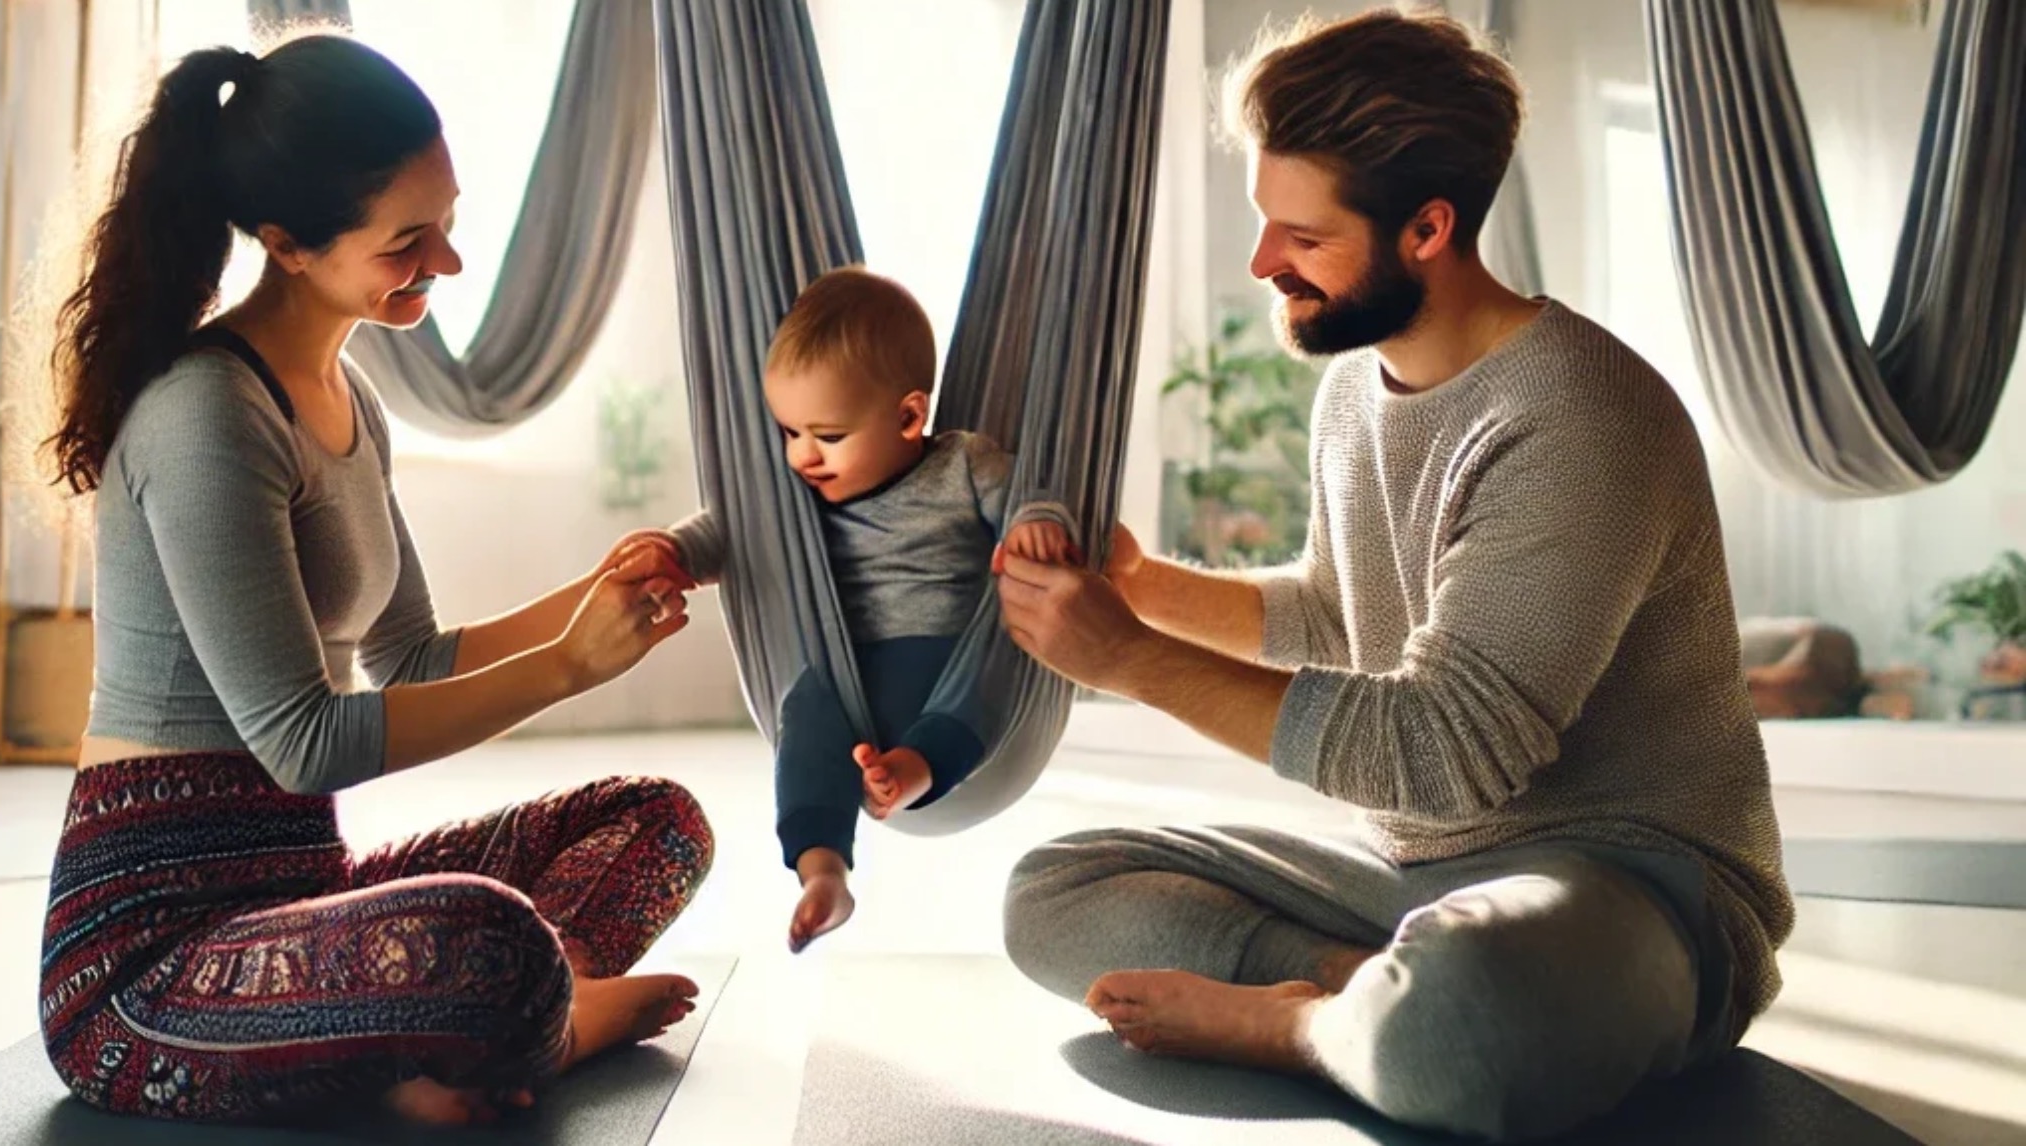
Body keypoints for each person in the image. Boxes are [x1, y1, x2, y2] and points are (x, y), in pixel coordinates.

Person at [992, 9, 1793, 1141]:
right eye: (1269, 222)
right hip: (1409, 874)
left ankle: (1307, 1025)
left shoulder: (1579, 416)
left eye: (1303, 237)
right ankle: (1352, 978)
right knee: (1050, 894)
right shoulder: (1354, 391)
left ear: (1428, 227)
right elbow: (1335, 611)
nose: (1265, 262)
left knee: (1468, 1019)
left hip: (1634, 885)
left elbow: (1446, 749)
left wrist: (1129, 660)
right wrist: (1142, 590)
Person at [37, 34, 712, 1128]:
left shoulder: (353, 400)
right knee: (485, 935)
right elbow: (305, 741)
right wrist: (566, 670)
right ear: (287, 245)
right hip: (145, 977)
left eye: (446, 221)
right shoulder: (209, 415)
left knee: (658, 816)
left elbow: (412, 655)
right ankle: (537, 1016)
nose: (445, 263)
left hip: (303, 908)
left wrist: (597, 595)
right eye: (409, 240)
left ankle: (493, 1023)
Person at [647, 266, 1076, 952]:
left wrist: (1036, 522)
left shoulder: (964, 463)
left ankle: (916, 768)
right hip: (847, 664)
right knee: (806, 714)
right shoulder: (802, 497)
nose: (802, 456)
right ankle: (824, 872)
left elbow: (1029, 495)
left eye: (827, 435)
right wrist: (676, 552)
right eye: (789, 432)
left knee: (988, 678)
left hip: (945, 655)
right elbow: (740, 527)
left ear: (909, 417)